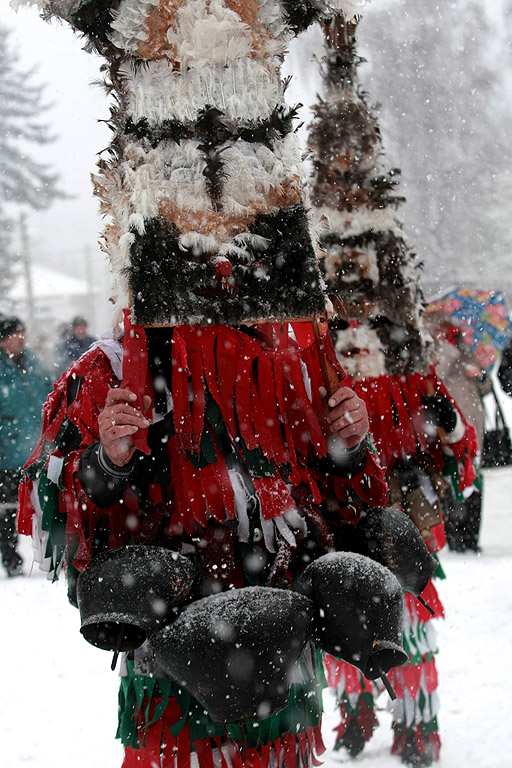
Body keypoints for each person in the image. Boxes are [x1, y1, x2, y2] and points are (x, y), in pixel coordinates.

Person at [19, 317, 391, 768]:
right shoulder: (112, 370)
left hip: (281, 630)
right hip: (169, 639)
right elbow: (55, 510)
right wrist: (107, 461)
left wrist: (349, 445)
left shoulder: (291, 363)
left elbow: (335, 496)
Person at [428, 318, 490, 552]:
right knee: (453, 479)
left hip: (475, 428)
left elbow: (486, 387)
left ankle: (471, 537)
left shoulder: (468, 354)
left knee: (474, 482)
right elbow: (435, 377)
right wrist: (449, 353)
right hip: (451, 429)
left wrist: (479, 375)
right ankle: (454, 537)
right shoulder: (437, 353)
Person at [0, 315, 51, 577]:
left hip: (36, 452)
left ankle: (51, 555)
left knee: (45, 504)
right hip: (7, 455)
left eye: (22, 333)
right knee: (7, 511)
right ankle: (11, 558)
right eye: (13, 334)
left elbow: (51, 394)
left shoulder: (34, 363)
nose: (20, 339)